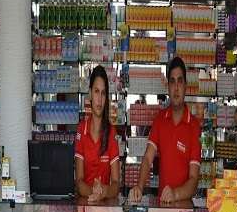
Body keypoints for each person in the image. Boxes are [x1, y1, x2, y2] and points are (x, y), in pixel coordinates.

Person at [129, 57, 201, 203]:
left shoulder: (194, 126)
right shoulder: (160, 120)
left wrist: (175, 194)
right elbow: (147, 158)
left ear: (185, 86)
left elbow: (194, 180)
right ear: (168, 86)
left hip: (184, 208)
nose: (176, 88)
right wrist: (139, 187)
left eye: (180, 81)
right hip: (162, 206)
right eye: (172, 81)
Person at [75, 65, 120, 202]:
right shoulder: (81, 130)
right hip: (86, 204)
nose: (99, 99)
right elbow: (79, 181)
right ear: (90, 93)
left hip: (106, 209)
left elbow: (116, 184)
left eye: (103, 93)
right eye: (96, 92)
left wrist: (103, 192)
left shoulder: (111, 132)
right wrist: (93, 192)